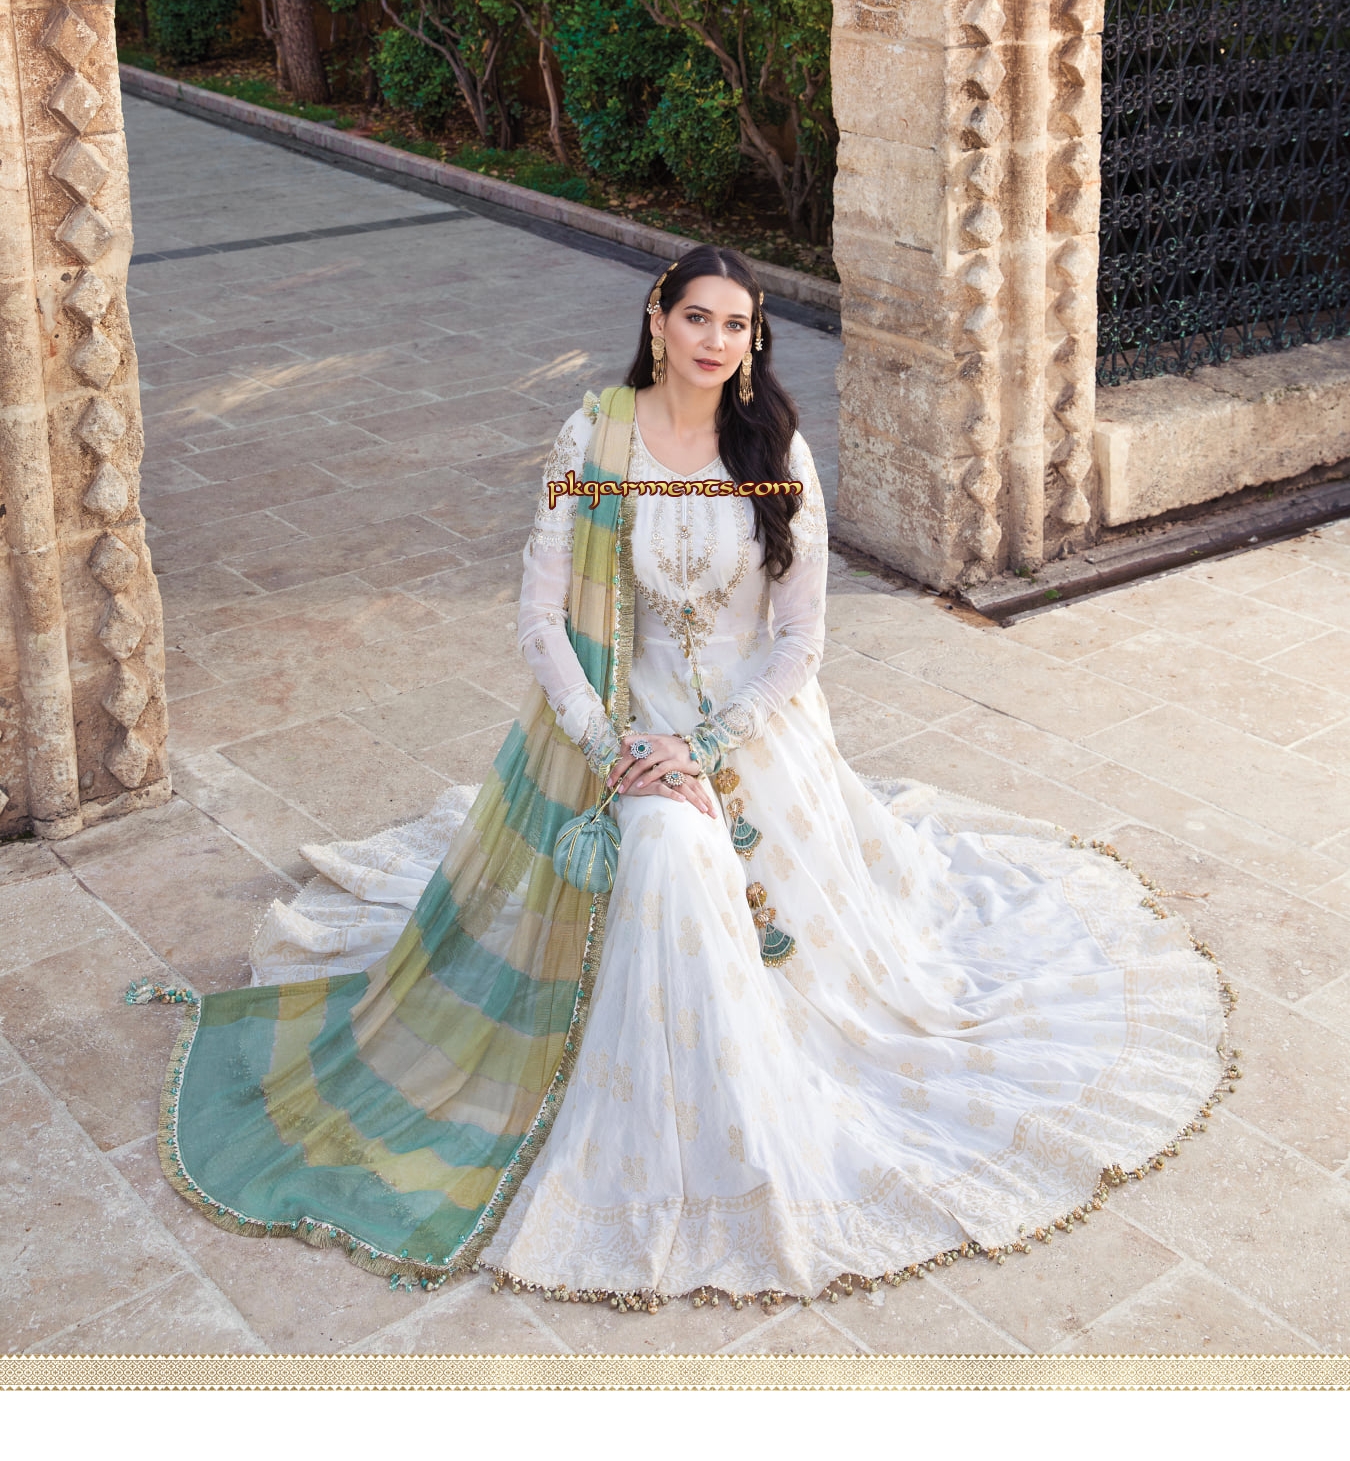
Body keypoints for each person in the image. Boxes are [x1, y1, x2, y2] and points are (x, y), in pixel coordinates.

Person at [148, 245, 1227, 1308]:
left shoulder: (774, 450)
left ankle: (739, 1126)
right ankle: (660, 1132)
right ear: (658, 320)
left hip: (755, 731)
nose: (716, 340)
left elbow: (800, 640)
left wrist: (705, 748)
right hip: (618, 725)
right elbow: (539, 617)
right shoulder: (592, 440)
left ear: (754, 341)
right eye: (698, 317)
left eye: (737, 325)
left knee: (717, 873)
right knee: (666, 849)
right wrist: (610, 744)